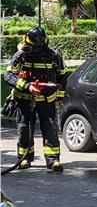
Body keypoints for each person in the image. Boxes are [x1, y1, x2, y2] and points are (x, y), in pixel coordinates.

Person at [3, 27, 68, 171]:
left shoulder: (53, 55)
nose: (31, 49)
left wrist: (59, 97)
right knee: (24, 129)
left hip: (46, 99)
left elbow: (63, 76)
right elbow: (8, 75)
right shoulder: (20, 55)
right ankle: (25, 158)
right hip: (24, 99)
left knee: (50, 129)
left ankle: (53, 160)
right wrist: (27, 87)